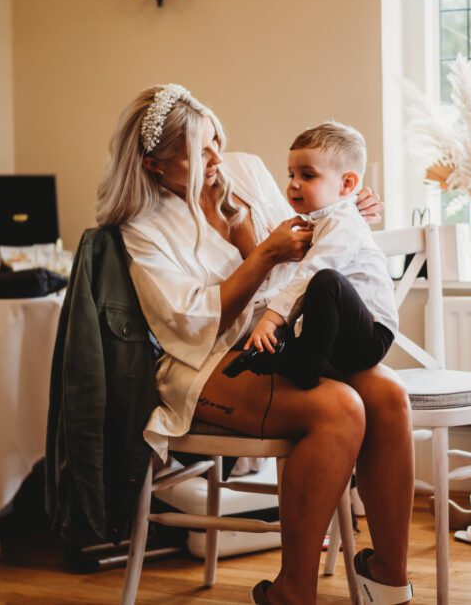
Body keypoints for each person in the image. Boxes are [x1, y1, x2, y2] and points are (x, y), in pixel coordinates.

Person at [96, 84, 414, 605]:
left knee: (388, 394)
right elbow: (188, 323)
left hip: (288, 332)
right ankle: (294, 589)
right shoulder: (143, 227)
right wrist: (263, 255)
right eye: (200, 151)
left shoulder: (243, 171)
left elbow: (313, 239)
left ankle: (388, 578)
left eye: (216, 137)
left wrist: (346, 210)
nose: (217, 155)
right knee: (340, 409)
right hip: (203, 360)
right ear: (155, 165)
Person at [228, 121, 398, 391]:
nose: (294, 185)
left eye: (307, 176)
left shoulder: (343, 221)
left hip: (370, 335)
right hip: (339, 336)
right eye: (291, 174)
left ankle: (304, 369)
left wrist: (270, 319)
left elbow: (312, 272)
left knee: (324, 280)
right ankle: (279, 355)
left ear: (347, 184)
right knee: (315, 290)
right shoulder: (321, 222)